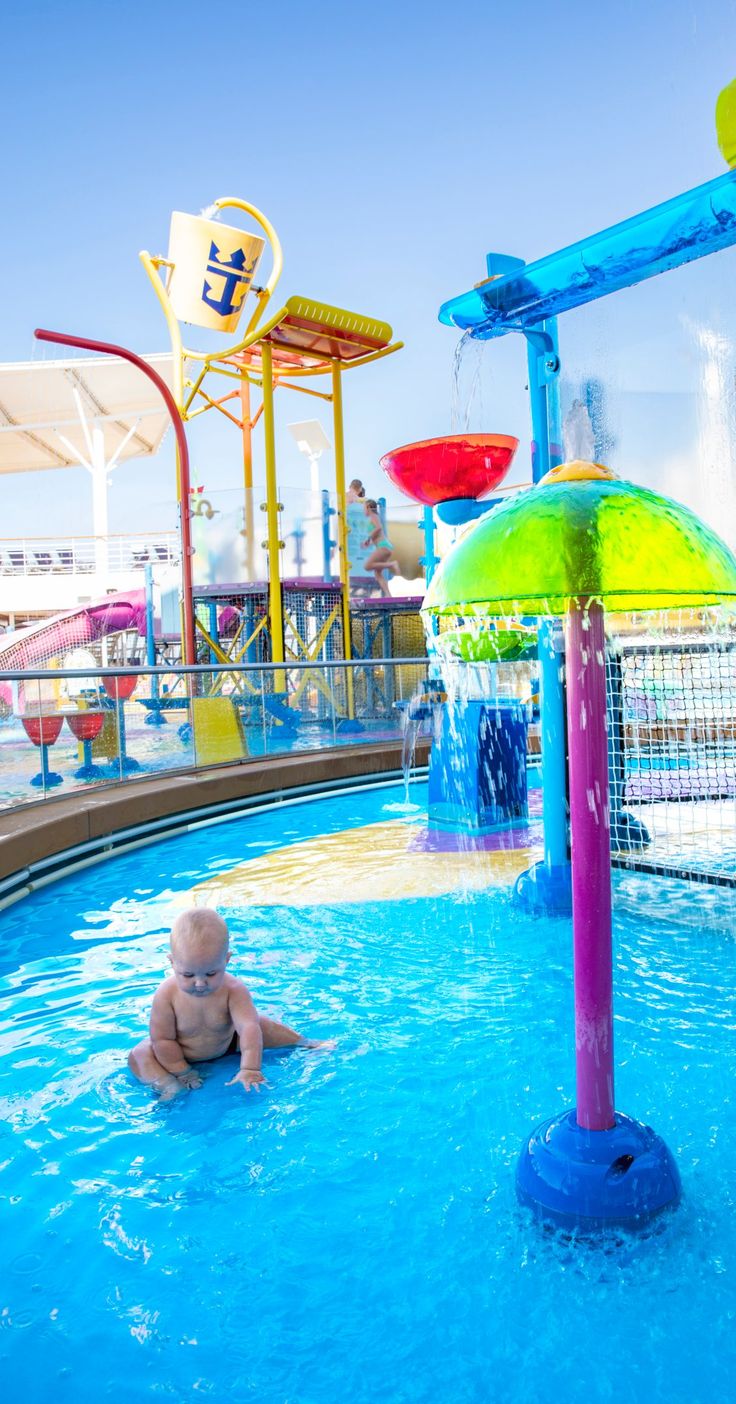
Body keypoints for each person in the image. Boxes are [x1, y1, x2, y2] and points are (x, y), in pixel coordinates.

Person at [128, 907, 330, 1100]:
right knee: (140, 1054)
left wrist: (250, 1068)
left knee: (259, 1024)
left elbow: (249, 1029)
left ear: (226, 960)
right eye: (188, 974)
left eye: (211, 973)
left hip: (226, 1044)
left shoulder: (233, 989)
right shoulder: (166, 994)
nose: (200, 983)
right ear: (172, 963)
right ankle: (168, 1085)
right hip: (178, 1056)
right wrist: (182, 1071)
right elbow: (163, 1040)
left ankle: (304, 1042)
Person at [362, 498, 398, 597]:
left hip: (383, 546)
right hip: (383, 546)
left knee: (367, 566)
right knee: (378, 574)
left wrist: (368, 538)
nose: (363, 510)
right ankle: (388, 594)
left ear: (369, 507)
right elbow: (377, 535)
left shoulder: (373, 516)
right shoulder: (373, 518)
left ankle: (391, 564)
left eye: (364, 508)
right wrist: (368, 543)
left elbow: (379, 528)